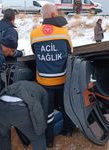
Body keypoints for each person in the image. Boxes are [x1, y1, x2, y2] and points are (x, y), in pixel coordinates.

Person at [30, 3, 74, 148]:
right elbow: (69, 53)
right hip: (62, 79)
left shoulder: (34, 34)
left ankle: (49, 140)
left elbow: (36, 53)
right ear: (54, 15)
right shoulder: (63, 33)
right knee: (65, 106)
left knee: (47, 112)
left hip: (44, 81)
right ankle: (68, 131)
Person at [0, 81, 49, 150]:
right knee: (37, 137)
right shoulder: (43, 91)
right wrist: (42, 128)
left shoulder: (20, 83)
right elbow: (43, 114)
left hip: (0, 107)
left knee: (4, 135)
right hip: (20, 111)